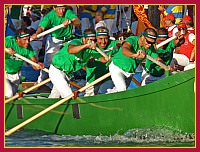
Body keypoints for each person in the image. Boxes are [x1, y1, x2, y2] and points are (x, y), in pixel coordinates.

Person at [48, 29, 108, 98]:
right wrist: (86, 46)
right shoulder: (76, 42)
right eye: (89, 40)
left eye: (94, 40)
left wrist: (107, 58)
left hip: (67, 73)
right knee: (68, 96)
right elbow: (71, 50)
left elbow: (102, 59)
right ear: (83, 39)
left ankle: (46, 105)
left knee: (55, 96)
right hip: (57, 70)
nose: (92, 42)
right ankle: (76, 108)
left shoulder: (91, 50)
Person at [31, 5, 81, 86]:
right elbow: (41, 28)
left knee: (69, 60)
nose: (62, 11)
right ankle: (40, 82)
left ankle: (67, 81)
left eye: (63, 8)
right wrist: (37, 34)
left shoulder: (68, 12)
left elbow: (78, 22)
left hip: (68, 39)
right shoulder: (49, 16)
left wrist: (70, 22)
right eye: (59, 9)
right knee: (47, 62)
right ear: (54, 8)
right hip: (55, 40)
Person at [108, 28, 158, 93]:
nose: (149, 45)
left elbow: (157, 59)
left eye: (152, 43)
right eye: (148, 42)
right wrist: (135, 55)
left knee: (120, 90)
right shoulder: (132, 40)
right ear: (142, 37)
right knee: (122, 90)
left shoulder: (149, 48)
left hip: (130, 73)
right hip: (117, 68)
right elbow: (124, 50)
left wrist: (166, 67)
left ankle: (108, 95)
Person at [5, 28, 44, 98]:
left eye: (28, 39)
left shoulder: (28, 47)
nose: (27, 42)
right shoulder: (8, 42)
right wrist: (5, 50)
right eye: (24, 40)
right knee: (8, 94)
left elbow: (33, 61)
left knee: (12, 97)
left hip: (16, 75)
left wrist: (36, 64)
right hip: (4, 72)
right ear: (17, 39)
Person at [85, 26, 122, 96]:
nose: (103, 42)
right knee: (89, 97)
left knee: (106, 94)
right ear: (96, 38)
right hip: (93, 79)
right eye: (100, 39)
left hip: (108, 77)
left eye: (106, 39)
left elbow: (124, 46)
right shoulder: (89, 46)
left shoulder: (114, 44)